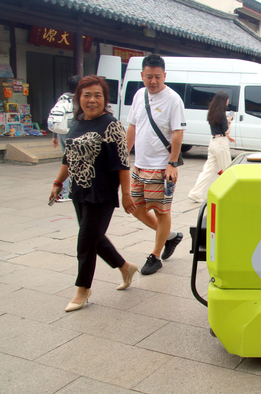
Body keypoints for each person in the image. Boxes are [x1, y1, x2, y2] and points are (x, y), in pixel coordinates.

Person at [49, 75, 138, 312]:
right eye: (86, 95)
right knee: (94, 238)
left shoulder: (111, 124)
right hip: (79, 191)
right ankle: (125, 267)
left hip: (102, 193)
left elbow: (122, 162)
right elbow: (69, 157)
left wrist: (126, 194)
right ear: (78, 98)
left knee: (85, 242)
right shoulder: (77, 123)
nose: (92, 100)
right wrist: (58, 182)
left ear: (104, 99)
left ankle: (82, 289)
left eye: (97, 95)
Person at [126, 54, 186, 275]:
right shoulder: (138, 95)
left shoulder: (173, 99)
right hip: (139, 165)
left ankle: (156, 255)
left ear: (164, 76)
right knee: (135, 207)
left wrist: (172, 163)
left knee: (162, 212)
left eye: (157, 77)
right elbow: (132, 126)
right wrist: (124, 155)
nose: (153, 81)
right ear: (142, 75)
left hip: (161, 167)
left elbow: (178, 134)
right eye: (149, 76)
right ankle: (169, 235)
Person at [187, 91, 235, 203]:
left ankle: (195, 193)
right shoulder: (222, 114)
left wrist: (228, 136)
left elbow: (218, 129)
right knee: (227, 169)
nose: (228, 102)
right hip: (220, 144)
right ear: (224, 100)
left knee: (208, 170)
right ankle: (228, 193)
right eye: (227, 100)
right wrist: (229, 122)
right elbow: (226, 129)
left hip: (213, 141)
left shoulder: (212, 112)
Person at [49, 75, 81, 202]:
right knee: (71, 162)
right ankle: (68, 191)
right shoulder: (78, 100)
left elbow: (57, 118)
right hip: (74, 134)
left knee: (66, 160)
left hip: (62, 133)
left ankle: (67, 189)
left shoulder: (62, 99)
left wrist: (54, 136)